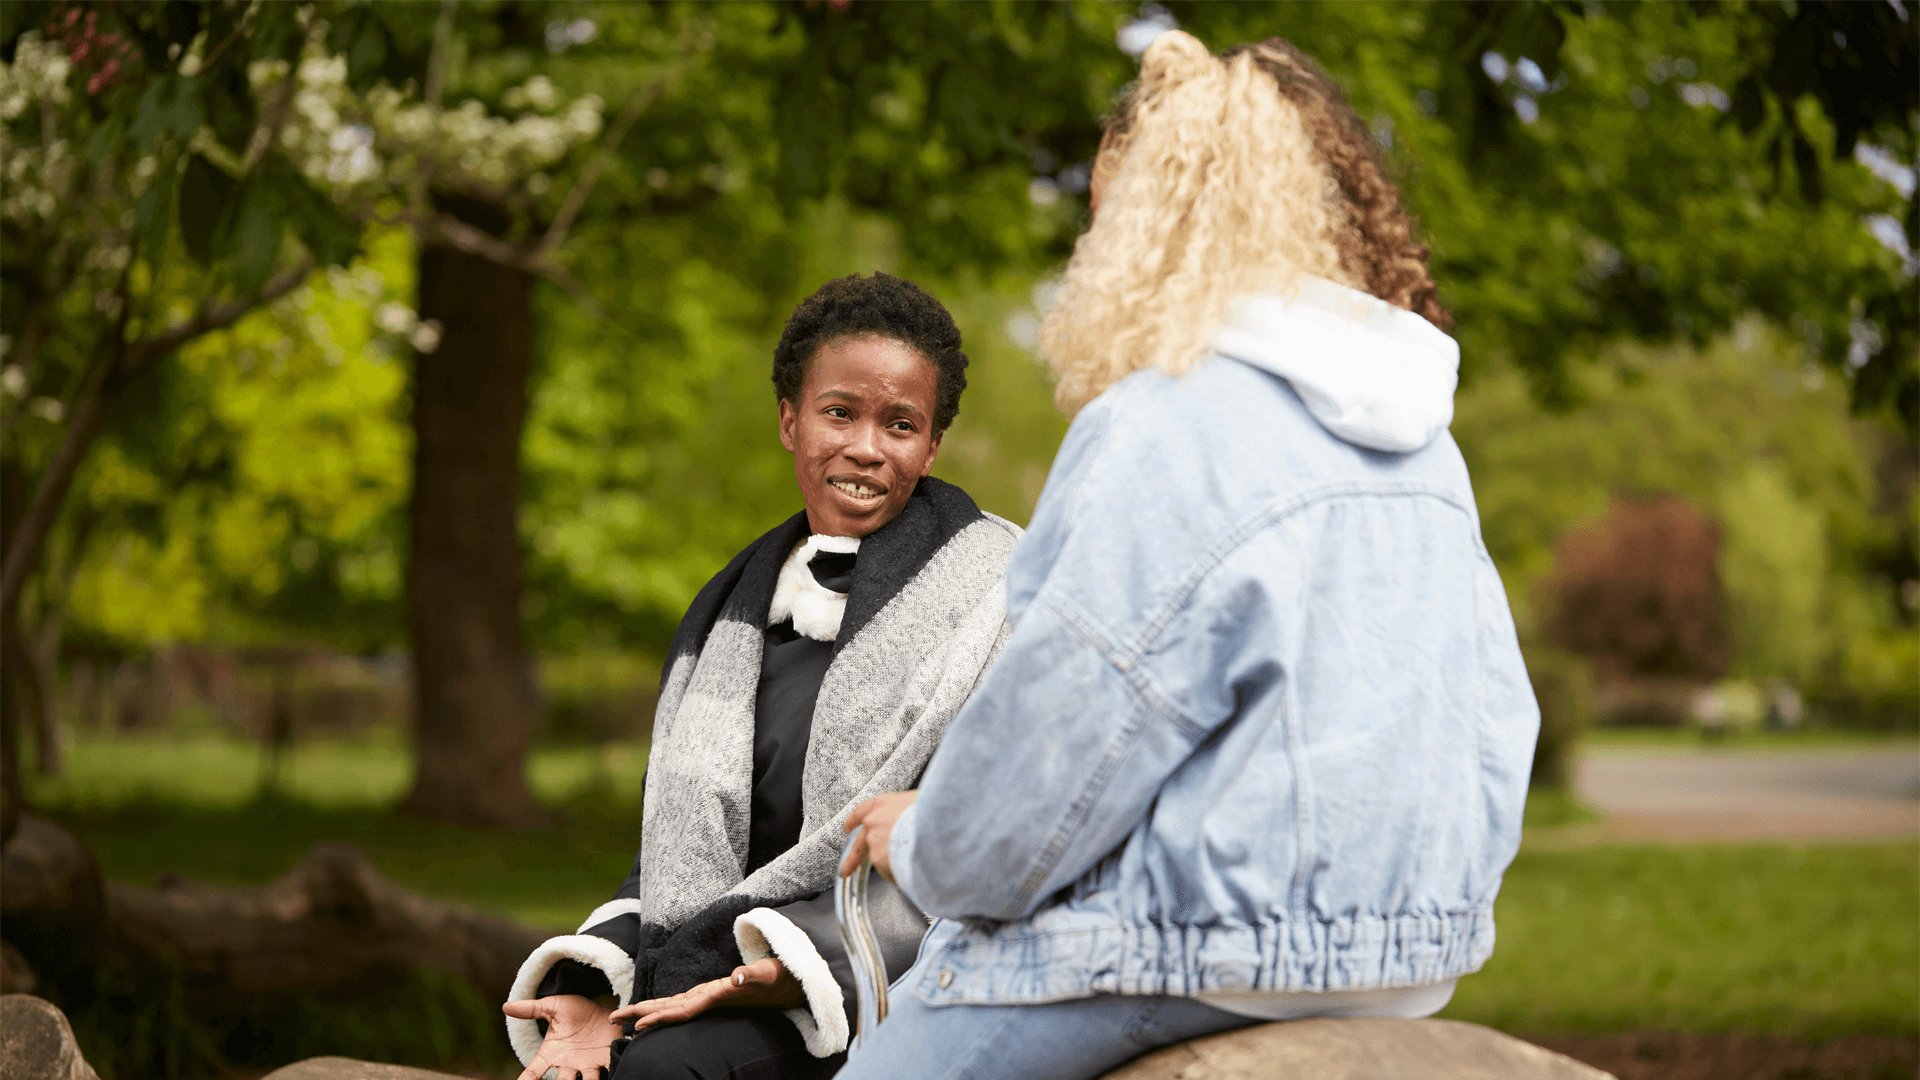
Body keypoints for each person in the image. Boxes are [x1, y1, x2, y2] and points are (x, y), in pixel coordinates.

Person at [835, 31, 1539, 1080]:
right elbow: (1501, 720)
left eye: (1106, 222)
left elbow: (1063, 740)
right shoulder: (1427, 444)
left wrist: (932, 841)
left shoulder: (1164, 426)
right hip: (1412, 955)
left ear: (1155, 230)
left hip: (1189, 953)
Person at [504, 273, 1022, 1080]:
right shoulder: (728, 620)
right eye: (839, 412)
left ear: (931, 447)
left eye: (900, 424)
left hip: (889, 982)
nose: (866, 447)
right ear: (790, 420)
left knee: (661, 1073)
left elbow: (996, 831)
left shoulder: (1001, 602)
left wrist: (781, 970)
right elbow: (678, 854)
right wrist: (591, 984)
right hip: (719, 980)